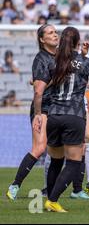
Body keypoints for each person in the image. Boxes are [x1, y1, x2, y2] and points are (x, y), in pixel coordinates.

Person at [32, 26, 89, 212]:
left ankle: (49, 197)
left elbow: (38, 89)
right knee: (74, 163)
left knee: (56, 160)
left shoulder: (53, 61)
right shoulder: (87, 62)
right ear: (78, 42)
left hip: (53, 115)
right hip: (74, 115)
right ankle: (52, 199)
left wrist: (37, 114)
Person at [6, 25, 59, 201]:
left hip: (60, 108)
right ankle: (15, 185)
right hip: (43, 107)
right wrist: (37, 114)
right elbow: (38, 91)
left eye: (56, 32)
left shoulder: (60, 56)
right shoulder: (41, 59)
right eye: (50, 32)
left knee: (61, 150)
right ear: (42, 39)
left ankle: (56, 189)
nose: (55, 34)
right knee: (39, 147)